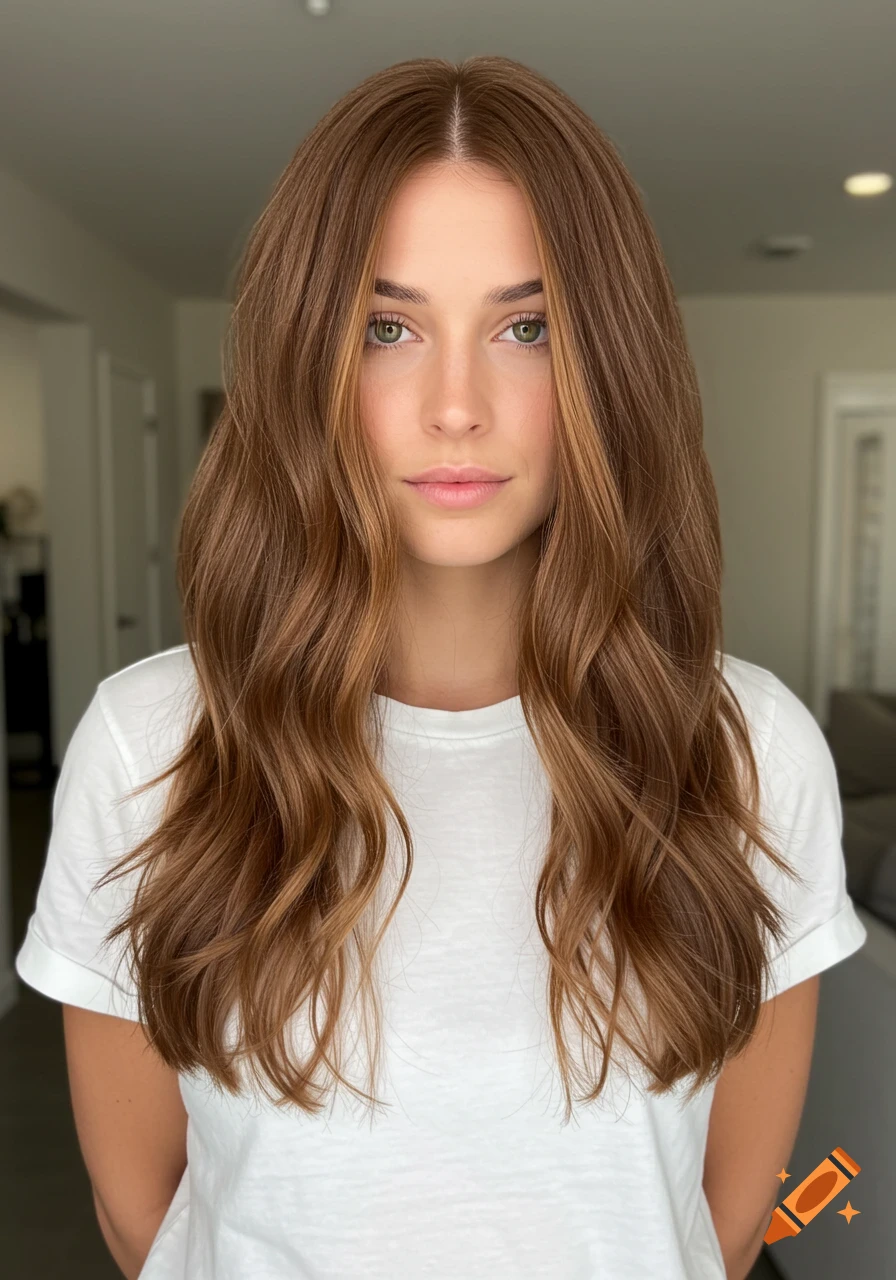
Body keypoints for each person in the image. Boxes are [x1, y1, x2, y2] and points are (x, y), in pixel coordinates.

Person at [15, 54, 867, 1280]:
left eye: (525, 327)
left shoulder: (746, 749)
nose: (455, 403)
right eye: (387, 326)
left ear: (602, 365)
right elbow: (144, 1213)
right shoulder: (151, 743)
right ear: (308, 357)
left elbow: (722, 1225)